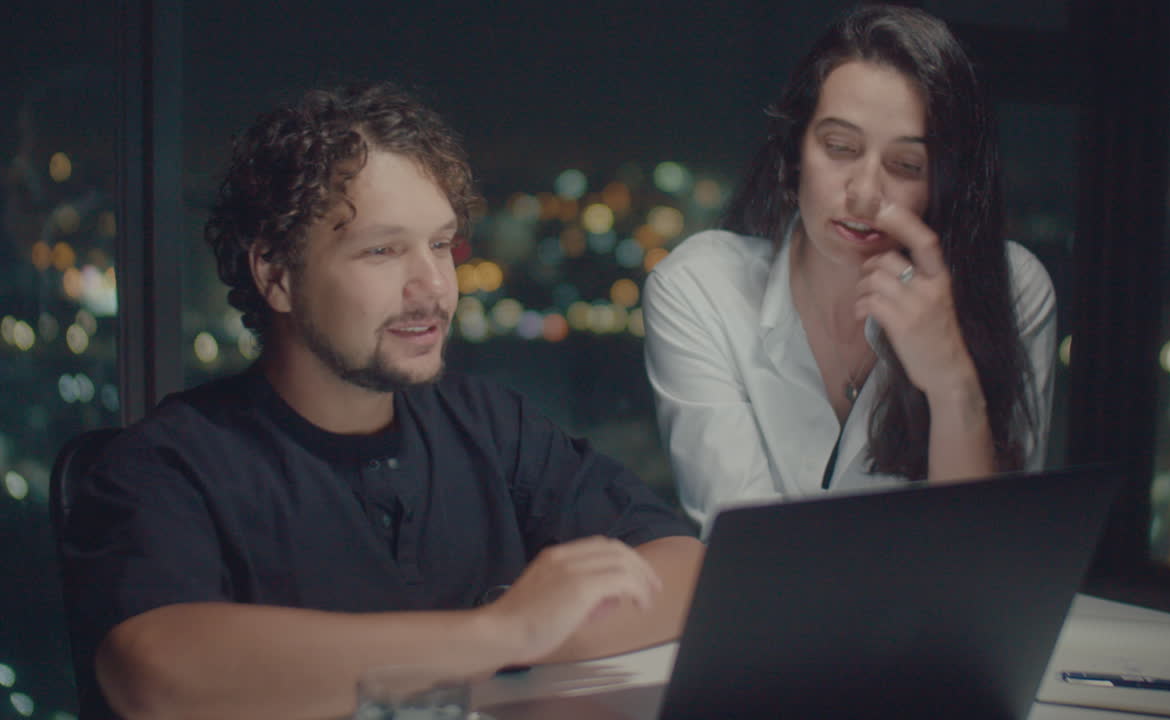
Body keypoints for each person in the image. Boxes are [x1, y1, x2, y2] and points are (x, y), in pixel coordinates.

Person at [60, 83, 704, 720]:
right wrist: (501, 634)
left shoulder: (489, 424)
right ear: (276, 276)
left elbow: (683, 567)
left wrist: (524, 637)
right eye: (382, 251)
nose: (432, 287)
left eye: (441, 245)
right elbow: (157, 672)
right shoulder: (168, 463)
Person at [643, 5, 1057, 530]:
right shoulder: (703, 289)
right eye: (839, 148)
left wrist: (953, 383)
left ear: (945, 184)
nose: (864, 195)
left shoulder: (1013, 288)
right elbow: (748, 553)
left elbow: (989, 559)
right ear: (795, 155)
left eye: (906, 166)